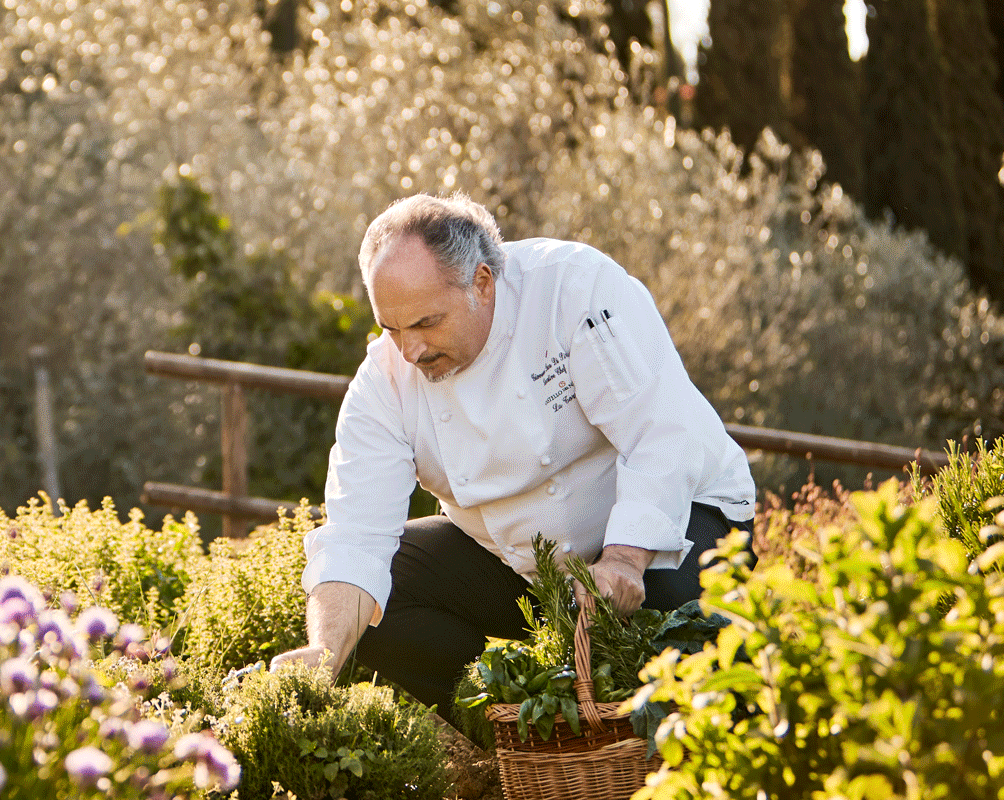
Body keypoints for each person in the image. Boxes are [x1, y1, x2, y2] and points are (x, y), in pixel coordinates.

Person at [271, 193, 755, 720]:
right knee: (380, 598)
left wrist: (622, 559)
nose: (409, 351)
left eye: (426, 323)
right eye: (392, 329)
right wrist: (324, 653)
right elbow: (354, 536)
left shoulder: (575, 291)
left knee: (692, 651)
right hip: (523, 563)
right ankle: (511, 725)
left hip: (678, 521)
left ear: (482, 283)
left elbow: (659, 434)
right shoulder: (384, 384)